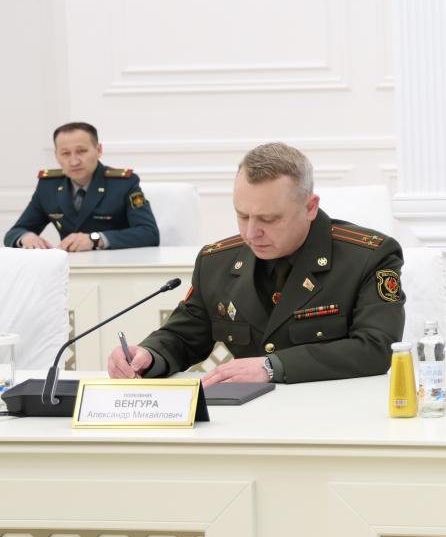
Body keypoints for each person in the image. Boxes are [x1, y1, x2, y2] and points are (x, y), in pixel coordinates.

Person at [107, 142, 404, 387]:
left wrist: (273, 366)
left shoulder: (368, 256)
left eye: (269, 219)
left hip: (334, 417)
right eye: (242, 215)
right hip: (244, 419)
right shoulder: (216, 261)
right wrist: (149, 354)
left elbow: (376, 347)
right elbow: (184, 336)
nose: (251, 233)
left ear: (310, 207)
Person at [5, 122, 159, 251]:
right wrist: (26, 237)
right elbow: (14, 232)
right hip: (70, 269)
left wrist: (95, 239)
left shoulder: (123, 183)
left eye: (81, 151)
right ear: (56, 155)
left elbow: (149, 233)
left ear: (98, 150)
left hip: (116, 267)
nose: (74, 161)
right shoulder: (48, 186)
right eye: (65, 153)